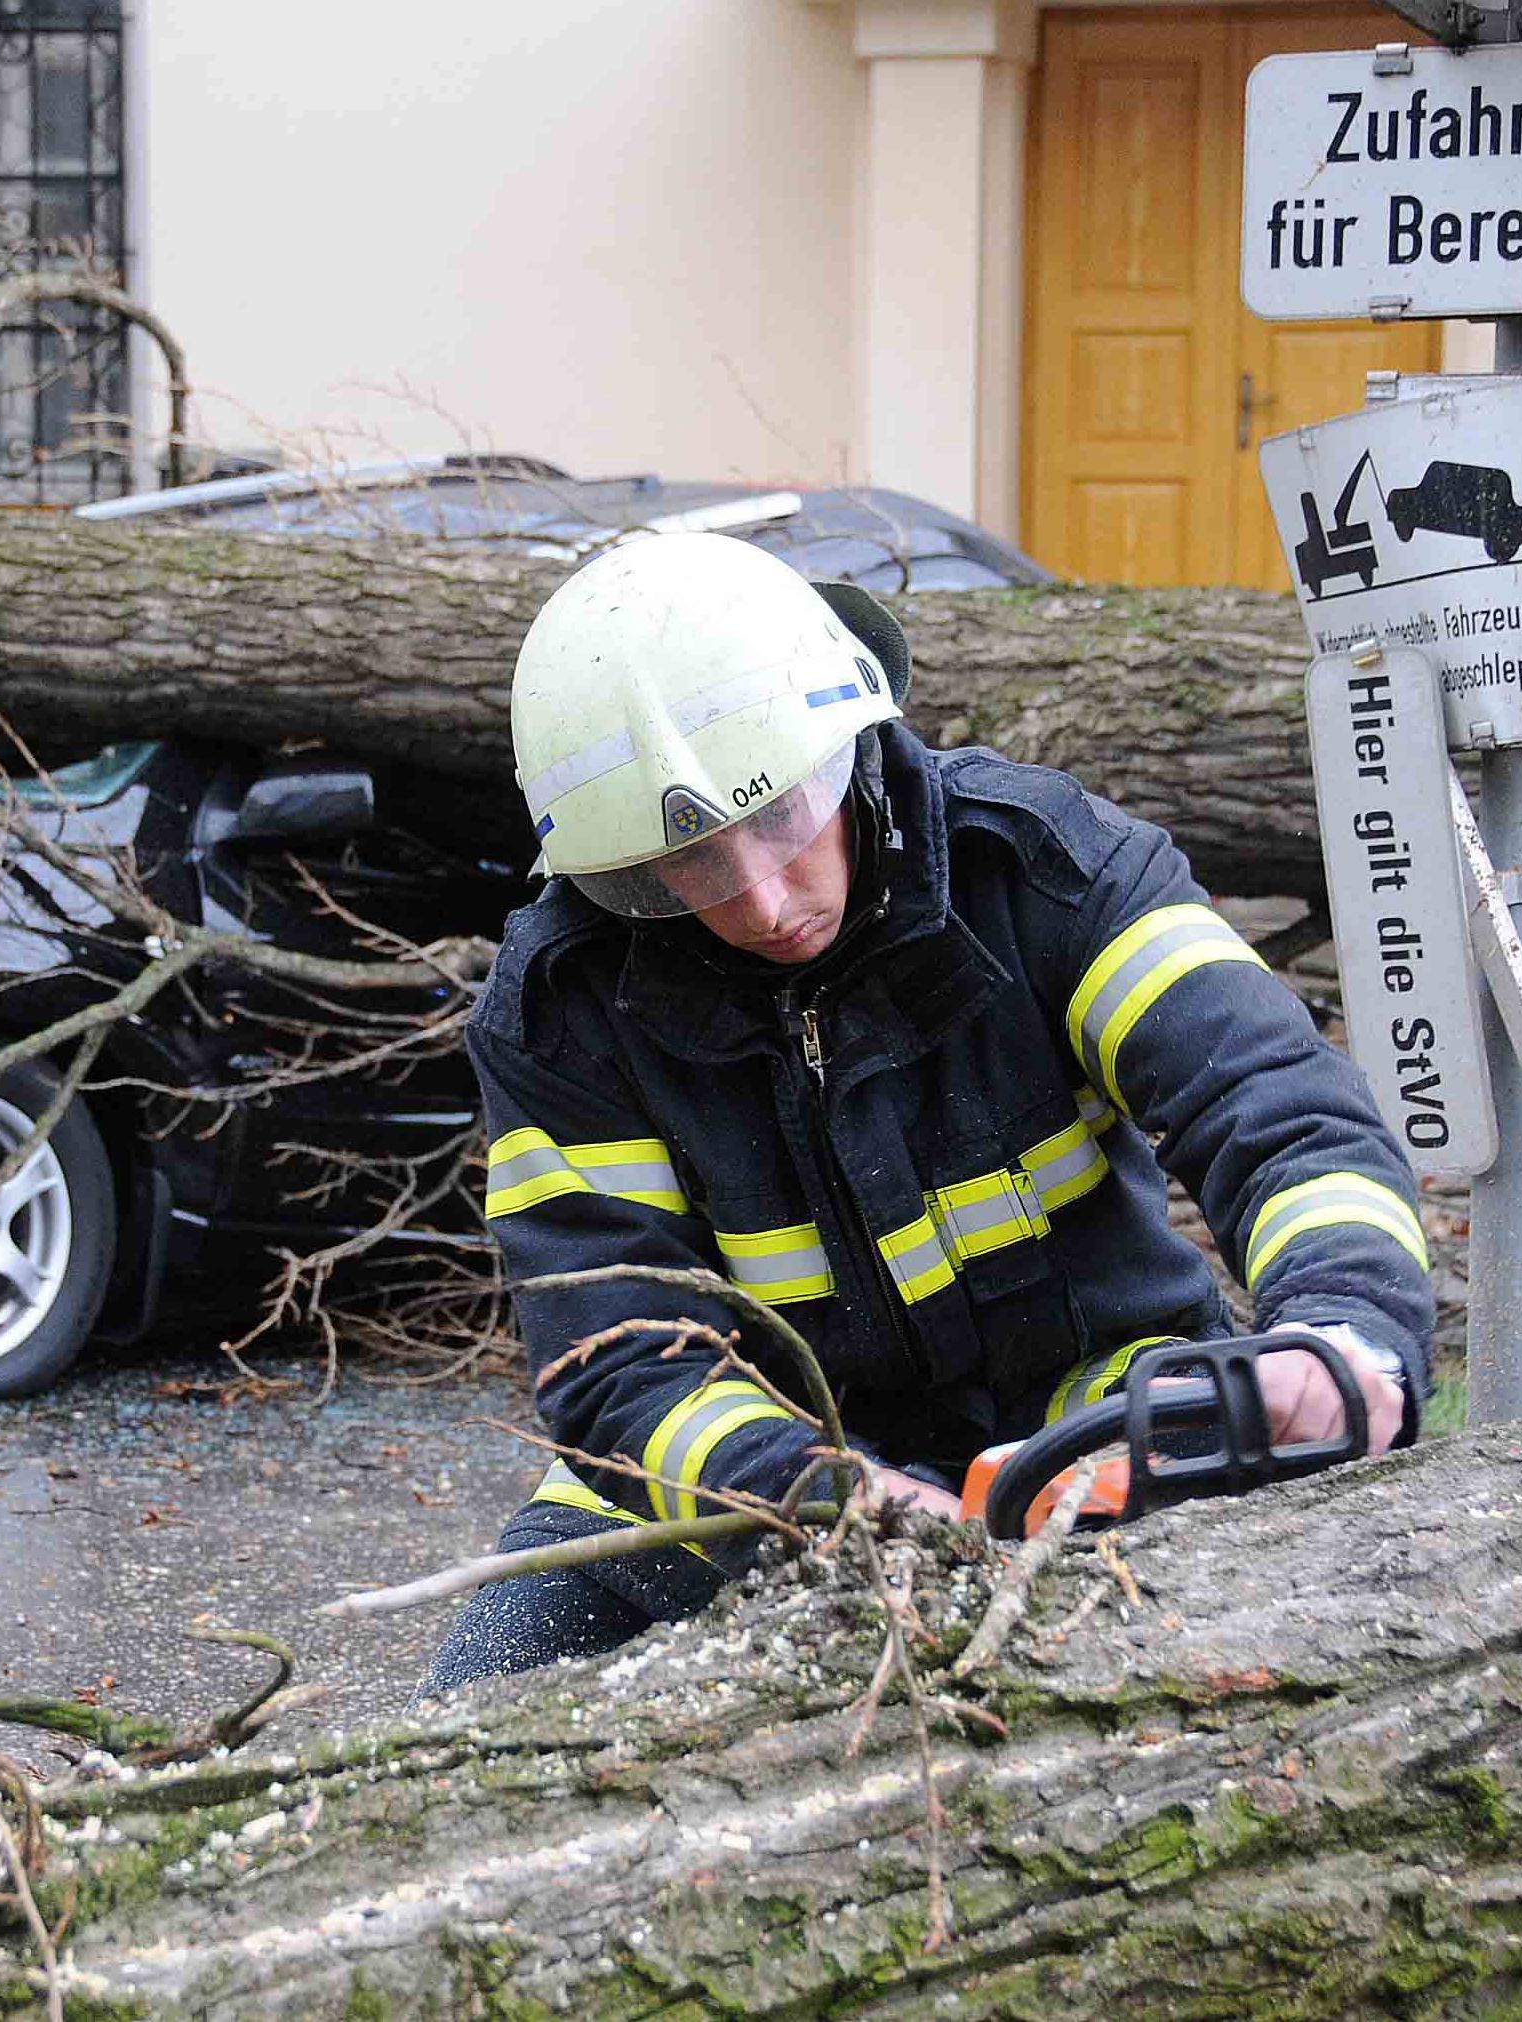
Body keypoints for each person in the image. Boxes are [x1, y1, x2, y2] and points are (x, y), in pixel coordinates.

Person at [423, 531, 1433, 1697]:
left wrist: (1345, 1330)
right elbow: (617, 1358)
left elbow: (1279, 1112)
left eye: (780, 816)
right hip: (736, 1492)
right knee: (470, 1722)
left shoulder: (1053, 874)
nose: (759, 897)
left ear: (851, 738)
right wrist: (817, 1503)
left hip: (1085, 1425)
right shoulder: (560, 1012)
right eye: (684, 863)